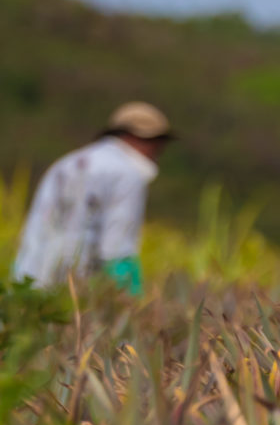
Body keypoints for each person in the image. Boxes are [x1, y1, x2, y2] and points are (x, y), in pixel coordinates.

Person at [10, 100, 174, 295]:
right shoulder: (127, 173)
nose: (158, 151)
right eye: (157, 143)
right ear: (135, 137)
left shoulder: (66, 163)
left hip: (33, 273)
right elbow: (117, 245)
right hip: (80, 283)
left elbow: (36, 226)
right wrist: (129, 293)